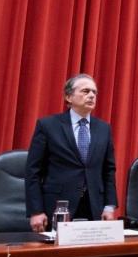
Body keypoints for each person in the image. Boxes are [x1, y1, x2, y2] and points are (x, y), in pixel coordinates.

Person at [25, 74, 118, 232]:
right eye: (85, 91)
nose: (91, 96)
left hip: (94, 206)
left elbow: (108, 170)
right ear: (68, 97)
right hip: (58, 206)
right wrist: (36, 210)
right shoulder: (48, 125)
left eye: (94, 92)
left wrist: (109, 206)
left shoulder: (104, 128)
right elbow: (33, 171)